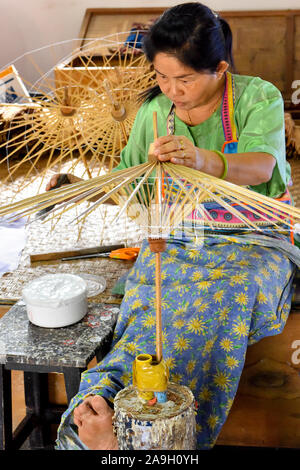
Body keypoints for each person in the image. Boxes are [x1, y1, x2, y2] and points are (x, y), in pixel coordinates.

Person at [53, 3, 300, 450]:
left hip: (255, 239)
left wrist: (203, 160)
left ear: (220, 68)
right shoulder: (153, 113)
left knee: (221, 302)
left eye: (184, 79)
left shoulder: (255, 97)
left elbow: (265, 166)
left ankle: (161, 438)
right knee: (150, 307)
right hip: (178, 237)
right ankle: (100, 408)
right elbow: (131, 188)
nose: (172, 90)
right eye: (162, 77)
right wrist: (132, 179)